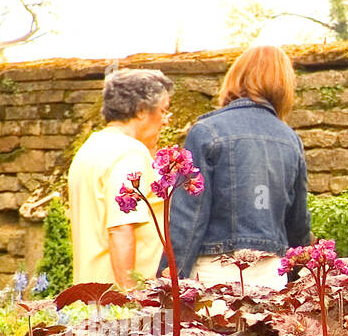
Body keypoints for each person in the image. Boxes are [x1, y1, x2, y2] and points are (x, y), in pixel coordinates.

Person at [164, 45, 312, 288]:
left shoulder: (206, 132)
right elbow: (298, 223)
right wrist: (297, 280)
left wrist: (169, 280)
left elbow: (188, 216)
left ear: (236, 76)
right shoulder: (290, 139)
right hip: (271, 275)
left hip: (214, 274)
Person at [68, 69, 174, 288]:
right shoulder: (129, 153)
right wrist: (130, 297)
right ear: (141, 110)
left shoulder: (90, 148)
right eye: (163, 111)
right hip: (118, 305)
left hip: (90, 297)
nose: (165, 121)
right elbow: (120, 228)